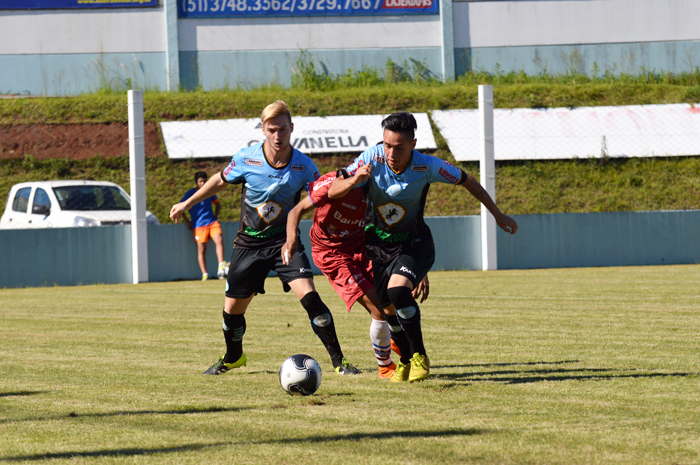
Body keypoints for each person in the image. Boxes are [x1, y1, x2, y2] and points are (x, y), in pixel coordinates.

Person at [169, 100, 361, 376]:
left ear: (291, 128)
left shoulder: (304, 166)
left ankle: (340, 363)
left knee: (312, 300)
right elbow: (219, 180)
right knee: (232, 312)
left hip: (285, 244)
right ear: (263, 130)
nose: (278, 135)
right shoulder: (247, 158)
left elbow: (322, 194)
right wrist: (187, 203)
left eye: (283, 129)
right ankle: (233, 356)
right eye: (272, 129)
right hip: (248, 244)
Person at [329, 111, 519, 383]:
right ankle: (405, 359)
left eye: (399, 147)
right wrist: (354, 181)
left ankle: (419, 356)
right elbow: (334, 189)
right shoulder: (371, 158)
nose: (391, 153)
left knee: (397, 291)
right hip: (378, 247)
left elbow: (468, 181)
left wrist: (497, 214)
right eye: (387, 145)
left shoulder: (427, 166)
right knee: (386, 309)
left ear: (414, 144)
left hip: (415, 243)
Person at [284, 168, 429, 380]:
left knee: (392, 301)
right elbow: (295, 211)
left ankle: (402, 349)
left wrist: (418, 269)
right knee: (378, 308)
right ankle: (386, 367)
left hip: (365, 246)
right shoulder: (337, 181)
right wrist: (290, 239)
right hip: (331, 252)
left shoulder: (390, 193)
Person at [180, 171, 228, 281]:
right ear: (196, 182)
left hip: (211, 222)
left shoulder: (209, 192)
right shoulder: (191, 193)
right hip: (199, 226)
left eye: (204, 181)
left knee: (219, 239)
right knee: (201, 250)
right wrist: (187, 221)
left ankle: (221, 265)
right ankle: (204, 274)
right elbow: (181, 207)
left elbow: (218, 205)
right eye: (200, 181)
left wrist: (215, 216)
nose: (202, 183)